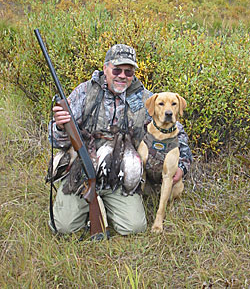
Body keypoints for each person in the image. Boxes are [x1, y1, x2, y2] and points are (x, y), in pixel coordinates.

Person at [48, 44, 192, 236]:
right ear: (105, 68)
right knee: (64, 228)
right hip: (82, 171)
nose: (122, 75)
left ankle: (104, 207)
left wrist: (182, 165)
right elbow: (56, 141)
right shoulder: (85, 92)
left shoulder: (144, 99)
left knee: (134, 227)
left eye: (129, 71)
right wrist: (59, 125)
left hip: (121, 174)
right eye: (117, 69)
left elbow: (175, 132)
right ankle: (86, 204)